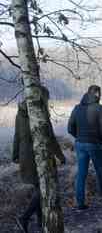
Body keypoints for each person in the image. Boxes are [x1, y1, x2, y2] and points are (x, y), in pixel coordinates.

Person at [13, 100, 66, 233]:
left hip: (25, 155)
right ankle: (24, 218)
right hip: (38, 156)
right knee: (43, 188)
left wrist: (15, 154)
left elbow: (17, 135)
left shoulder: (20, 113)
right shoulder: (40, 111)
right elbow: (50, 137)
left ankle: (40, 221)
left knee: (39, 186)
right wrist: (60, 155)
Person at [68, 85, 102, 210]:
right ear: (97, 94)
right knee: (100, 170)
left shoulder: (77, 108)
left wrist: (79, 137)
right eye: (100, 94)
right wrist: (100, 140)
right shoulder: (100, 108)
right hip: (95, 144)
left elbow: (70, 128)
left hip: (80, 144)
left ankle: (80, 203)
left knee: (81, 173)